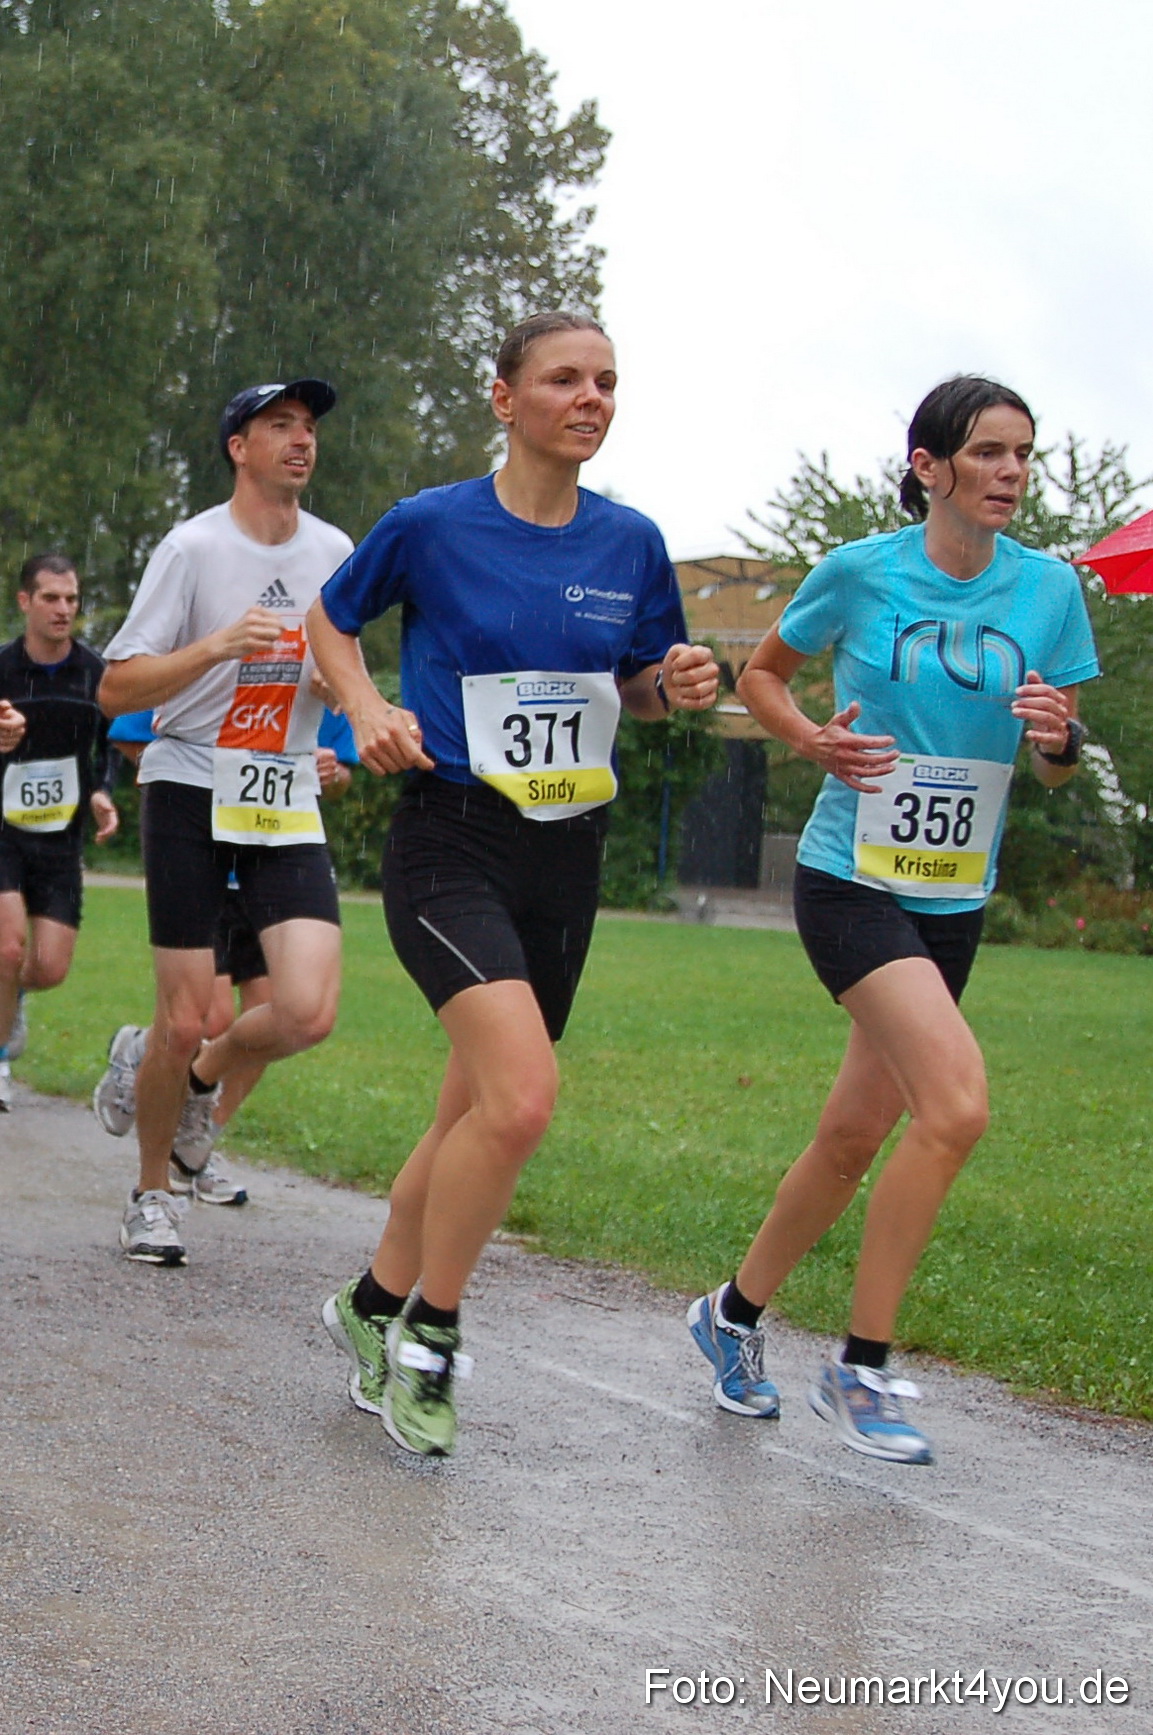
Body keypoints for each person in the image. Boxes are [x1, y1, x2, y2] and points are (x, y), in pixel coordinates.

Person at [306, 311, 719, 1457]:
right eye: (564, 380)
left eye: (607, 382)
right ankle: (431, 1340)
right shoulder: (431, 525)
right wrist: (367, 709)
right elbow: (329, 622)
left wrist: (670, 680)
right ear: (504, 398)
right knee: (522, 1098)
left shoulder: (630, 542)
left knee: (473, 1110)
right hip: (449, 840)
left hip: (565, 852)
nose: (591, 398)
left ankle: (371, 1303)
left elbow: (635, 686)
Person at [687, 376, 1100, 1465]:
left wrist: (1057, 736)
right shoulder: (860, 571)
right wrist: (815, 739)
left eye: (1024, 455)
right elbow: (762, 675)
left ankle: (728, 1313)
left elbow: (1055, 765)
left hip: (952, 892)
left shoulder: (1049, 590)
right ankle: (861, 1365)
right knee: (955, 1107)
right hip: (851, 878)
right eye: (990, 453)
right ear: (928, 466)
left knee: (853, 1135)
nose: (1012, 473)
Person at [93, 379, 353, 1266]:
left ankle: (198, 1082)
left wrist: (336, 693)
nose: (300, 440)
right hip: (190, 783)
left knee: (307, 1009)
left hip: (282, 789)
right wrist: (214, 646)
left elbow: (338, 663)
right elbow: (116, 687)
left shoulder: (334, 550)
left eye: (308, 427)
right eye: (279, 425)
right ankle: (151, 1194)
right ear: (237, 446)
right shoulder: (192, 547)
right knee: (181, 1015)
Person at [103, 704, 358, 1203]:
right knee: (206, 1019)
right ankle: (148, 1057)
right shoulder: (209, 654)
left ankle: (198, 1141)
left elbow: (341, 775)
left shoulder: (319, 658)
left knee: (275, 1019)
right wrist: (202, 776)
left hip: (276, 865)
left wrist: (332, 774)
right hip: (207, 864)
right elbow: (130, 734)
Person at [0, 554, 119, 1109]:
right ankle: (0, 1059)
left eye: (71, 599)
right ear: (25, 601)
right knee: (6, 946)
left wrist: (102, 793)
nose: (63, 609)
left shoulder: (95, 673)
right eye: (51, 598)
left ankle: (12, 997)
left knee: (47, 967)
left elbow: (110, 747)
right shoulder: (2, 669)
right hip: (2, 831)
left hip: (59, 837)